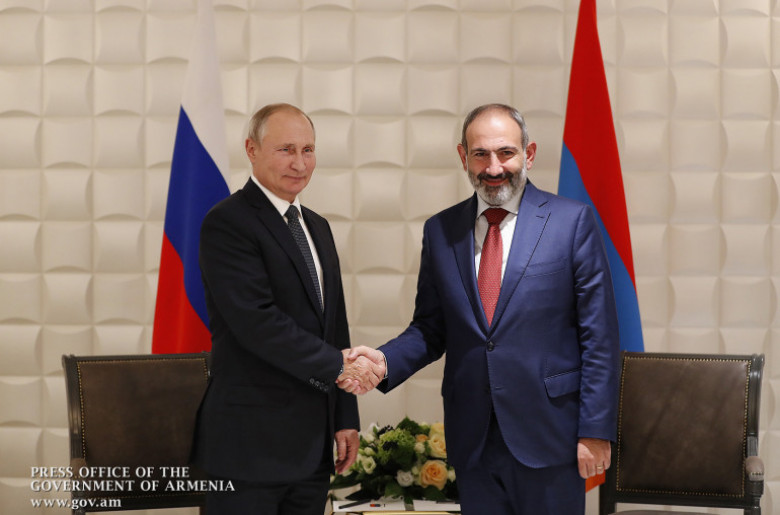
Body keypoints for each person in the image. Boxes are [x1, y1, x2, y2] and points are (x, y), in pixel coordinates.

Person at [341, 103, 620, 514]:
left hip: (551, 437)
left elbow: (600, 339)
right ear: (463, 157)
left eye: (506, 153)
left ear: (529, 154)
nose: (493, 167)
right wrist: (384, 362)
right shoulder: (441, 230)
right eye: (480, 154)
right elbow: (430, 328)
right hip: (473, 440)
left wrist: (595, 429)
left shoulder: (572, 222)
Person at [194, 103, 382, 514]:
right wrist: (341, 365)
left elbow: (334, 326)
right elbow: (257, 322)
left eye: (308, 150)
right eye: (286, 150)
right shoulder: (227, 222)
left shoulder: (317, 226)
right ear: (252, 149)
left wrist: (344, 417)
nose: (300, 163)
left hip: (312, 449)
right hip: (249, 446)